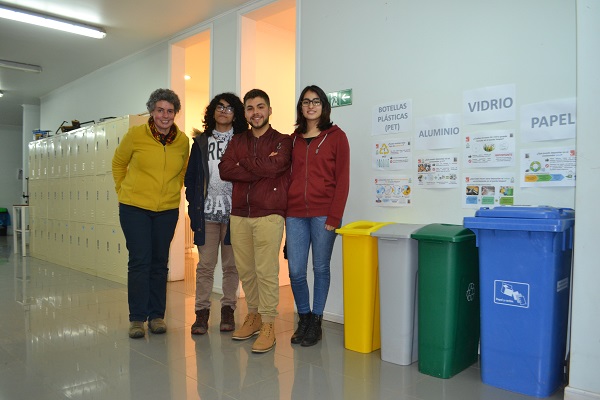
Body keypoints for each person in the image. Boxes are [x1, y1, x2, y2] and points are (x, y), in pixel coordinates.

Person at [218, 89, 292, 353]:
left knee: (266, 271)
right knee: (246, 270)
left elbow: (277, 166)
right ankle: (254, 315)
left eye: (261, 107)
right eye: (250, 108)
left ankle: (269, 322)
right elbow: (225, 169)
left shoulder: (283, 140)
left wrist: (245, 165)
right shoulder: (237, 140)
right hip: (239, 214)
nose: (256, 112)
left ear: (270, 110)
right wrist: (260, 168)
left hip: (270, 214)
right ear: (245, 113)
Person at [112, 88, 190, 339]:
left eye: (169, 111)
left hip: (166, 210)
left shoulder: (182, 141)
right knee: (140, 261)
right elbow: (118, 164)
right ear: (152, 111)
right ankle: (137, 319)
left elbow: (182, 172)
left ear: (175, 113)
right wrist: (123, 191)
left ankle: (157, 316)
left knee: (159, 263)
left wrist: (172, 192)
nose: (165, 115)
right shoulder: (136, 135)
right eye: (160, 110)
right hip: (135, 208)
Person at [286, 85, 350, 347]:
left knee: (321, 268)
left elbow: (343, 179)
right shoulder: (293, 139)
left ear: (324, 106)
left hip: (325, 214)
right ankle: (303, 317)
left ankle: (316, 321)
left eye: (315, 101)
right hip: (295, 214)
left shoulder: (337, 137)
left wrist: (335, 216)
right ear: (301, 107)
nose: (310, 106)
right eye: (305, 102)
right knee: (296, 271)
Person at [184, 93, 248, 335]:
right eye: (219, 107)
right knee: (205, 266)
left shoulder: (242, 141)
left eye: (229, 108)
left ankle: (228, 310)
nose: (223, 111)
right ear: (212, 111)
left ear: (236, 114)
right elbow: (190, 179)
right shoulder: (200, 142)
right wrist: (193, 204)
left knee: (232, 267)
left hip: (235, 215)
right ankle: (201, 313)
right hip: (207, 214)